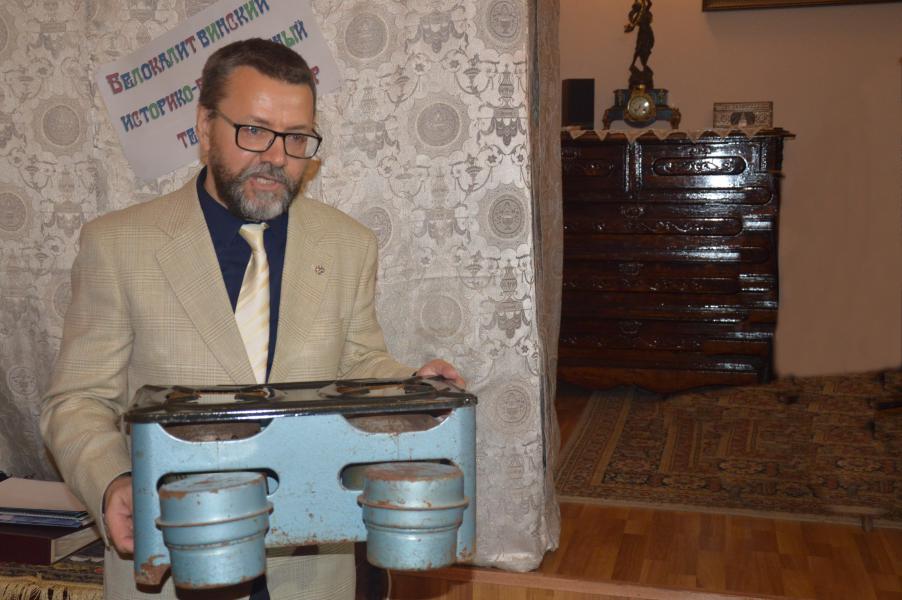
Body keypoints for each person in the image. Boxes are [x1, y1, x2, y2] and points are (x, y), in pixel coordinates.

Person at [40, 38, 463, 600]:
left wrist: (413, 389)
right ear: (204, 126)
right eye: (255, 131)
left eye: (297, 138)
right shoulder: (118, 245)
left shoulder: (348, 245)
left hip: (310, 572)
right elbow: (77, 401)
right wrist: (114, 481)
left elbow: (357, 364)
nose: (277, 157)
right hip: (174, 558)